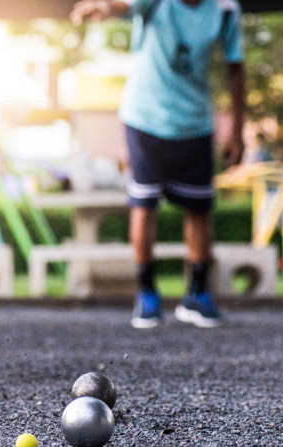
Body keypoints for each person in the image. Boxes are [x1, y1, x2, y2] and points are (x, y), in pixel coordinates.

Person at [71, 0, 246, 329]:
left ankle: (197, 295)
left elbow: (235, 67)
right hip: (145, 118)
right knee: (145, 203)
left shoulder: (224, 9)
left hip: (194, 122)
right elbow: (121, 5)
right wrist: (101, 8)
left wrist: (236, 130)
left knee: (199, 208)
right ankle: (147, 295)